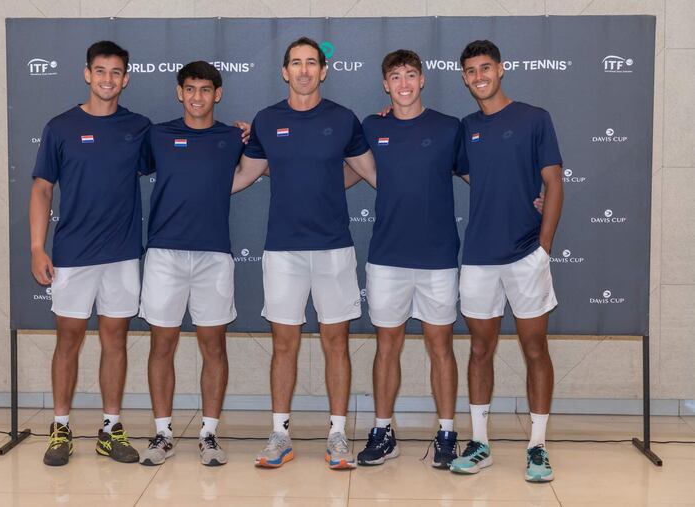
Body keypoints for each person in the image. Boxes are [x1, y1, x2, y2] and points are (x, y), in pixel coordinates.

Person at [231, 36, 376, 469]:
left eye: (312, 62)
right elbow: (242, 177)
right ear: (284, 71)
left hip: (333, 249)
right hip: (283, 252)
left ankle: (337, 435)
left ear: (324, 71)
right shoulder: (266, 120)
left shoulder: (344, 119)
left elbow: (372, 172)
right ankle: (280, 434)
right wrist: (193, 177)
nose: (304, 70)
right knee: (284, 344)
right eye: (296, 63)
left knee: (336, 343)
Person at [30, 40, 150, 466]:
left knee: (115, 339)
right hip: (72, 254)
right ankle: (60, 428)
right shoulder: (60, 127)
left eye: (116, 72)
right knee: (69, 339)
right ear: (87, 74)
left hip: (120, 255)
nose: (107, 79)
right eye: (101, 71)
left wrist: (237, 134)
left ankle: (110, 427)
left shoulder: (139, 127)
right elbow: (43, 188)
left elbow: (181, 149)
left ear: (126, 79)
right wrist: (36, 247)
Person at [450, 40, 563, 483]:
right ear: (464, 77)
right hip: (478, 256)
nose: (479, 76)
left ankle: (537, 446)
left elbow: (553, 182)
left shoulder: (535, 118)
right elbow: (467, 170)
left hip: (525, 255)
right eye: (471, 71)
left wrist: (544, 245)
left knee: (536, 348)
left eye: (486, 67)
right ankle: (480, 443)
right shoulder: (466, 126)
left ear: (501, 69)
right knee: (480, 349)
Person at [353, 49, 462, 469]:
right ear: (385, 84)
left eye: (411, 75)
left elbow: (480, 172)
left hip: (437, 258)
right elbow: (339, 163)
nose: (403, 83)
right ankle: (383, 431)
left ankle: (447, 432)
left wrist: (528, 194)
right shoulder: (371, 125)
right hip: (387, 258)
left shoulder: (450, 127)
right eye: (395, 76)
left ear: (423, 80)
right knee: (387, 345)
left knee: (440, 346)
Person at [137, 61, 247, 467]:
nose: (197, 96)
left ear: (217, 94)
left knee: (213, 345)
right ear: (179, 92)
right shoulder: (158, 135)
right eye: (190, 89)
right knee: (161, 343)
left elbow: (261, 164)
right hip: (164, 254)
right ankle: (163, 433)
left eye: (205, 89)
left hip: (214, 255)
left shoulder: (234, 136)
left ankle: (209, 434)